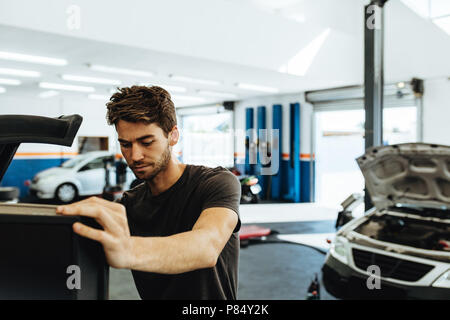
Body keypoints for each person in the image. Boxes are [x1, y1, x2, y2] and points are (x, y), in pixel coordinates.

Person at [56, 86, 241, 300]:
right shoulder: (127, 206)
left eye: (146, 142)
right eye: (125, 144)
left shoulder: (215, 183)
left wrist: (130, 250)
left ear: (173, 135)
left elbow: (206, 247)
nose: (135, 156)